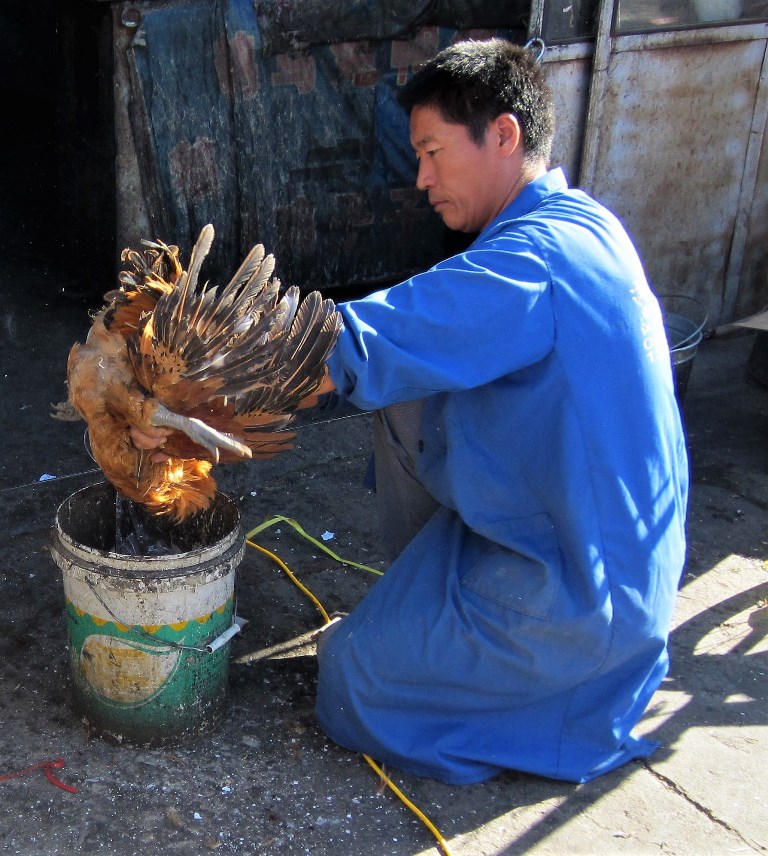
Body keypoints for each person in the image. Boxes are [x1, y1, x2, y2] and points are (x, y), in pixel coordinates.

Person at [134, 37, 689, 786]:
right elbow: (417, 333)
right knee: (413, 397)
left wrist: (200, 376)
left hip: (579, 600)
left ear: (503, 134)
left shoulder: (531, 265)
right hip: (595, 554)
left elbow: (365, 344)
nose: (420, 177)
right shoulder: (581, 223)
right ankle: (440, 622)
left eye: (432, 151)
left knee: (352, 682)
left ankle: (532, 700)